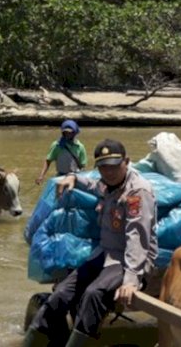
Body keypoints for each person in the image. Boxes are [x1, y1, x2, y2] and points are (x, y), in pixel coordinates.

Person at [24, 139, 158, 347]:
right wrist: (73, 178)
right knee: (60, 295)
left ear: (127, 162)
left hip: (127, 259)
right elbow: (94, 185)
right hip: (104, 254)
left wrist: (131, 280)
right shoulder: (108, 184)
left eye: (114, 166)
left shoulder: (137, 192)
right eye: (103, 167)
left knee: (92, 295)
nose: (109, 171)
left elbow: (137, 237)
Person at [35, 120, 87, 185]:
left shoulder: (80, 147)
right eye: (65, 132)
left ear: (74, 133)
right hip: (60, 176)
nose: (67, 134)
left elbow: (83, 165)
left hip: (75, 176)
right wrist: (41, 176)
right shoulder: (57, 145)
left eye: (70, 132)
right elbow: (48, 160)